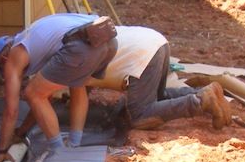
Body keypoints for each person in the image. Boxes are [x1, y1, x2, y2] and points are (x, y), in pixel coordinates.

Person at [0, 13, 117, 162]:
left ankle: (60, 153)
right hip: (108, 39)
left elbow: (11, 111)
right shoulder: (33, 41)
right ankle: (73, 145)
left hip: (81, 45)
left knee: (32, 92)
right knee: (76, 83)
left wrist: (2, 150)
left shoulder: (14, 55)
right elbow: (45, 99)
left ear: (3, 59)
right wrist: (21, 132)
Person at [86, 25, 231, 130]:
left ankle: (199, 101)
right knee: (158, 96)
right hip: (154, 41)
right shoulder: (78, 33)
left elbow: (78, 86)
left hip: (142, 54)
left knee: (139, 116)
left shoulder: (69, 62)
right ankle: (203, 92)